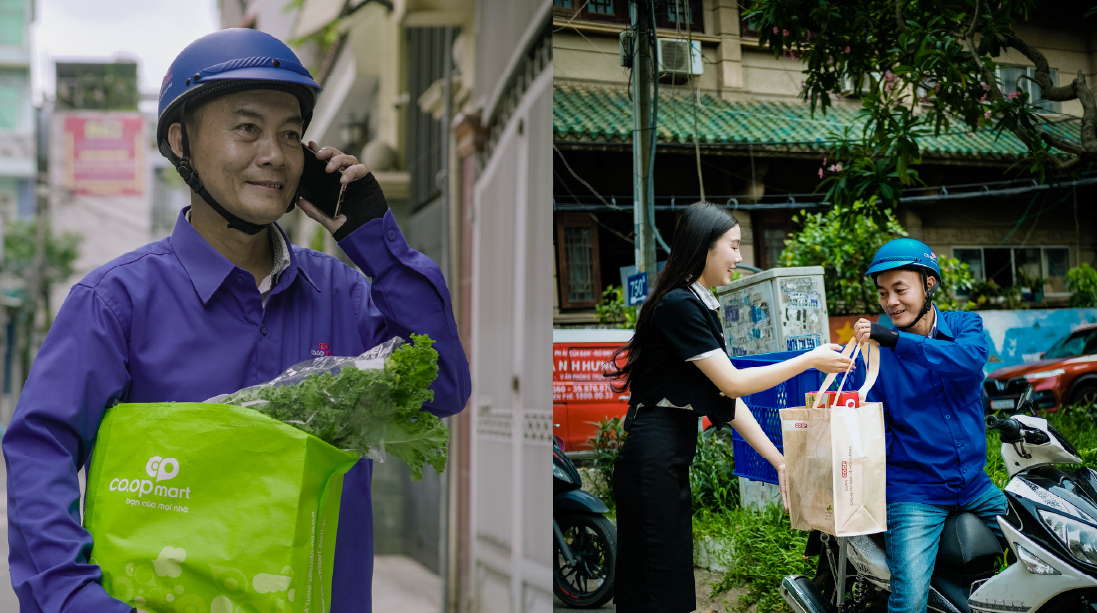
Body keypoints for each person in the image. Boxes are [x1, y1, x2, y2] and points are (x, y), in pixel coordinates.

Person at [2, 29, 470, 613]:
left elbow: (444, 388)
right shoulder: (115, 301)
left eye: (291, 135)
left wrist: (376, 243)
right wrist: (74, 599)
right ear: (181, 142)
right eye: (247, 128)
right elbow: (38, 451)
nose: (274, 154)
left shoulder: (345, 294)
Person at [607, 202, 853, 613]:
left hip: (666, 458)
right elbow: (734, 382)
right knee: (656, 589)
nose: (739, 259)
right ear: (706, 246)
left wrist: (778, 461)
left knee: (666, 585)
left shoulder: (696, 302)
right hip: (653, 458)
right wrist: (809, 358)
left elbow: (728, 400)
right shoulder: (679, 305)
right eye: (734, 247)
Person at [851, 237, 1005, 613]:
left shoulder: (965, 324)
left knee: (1041, 547)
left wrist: (897, 340)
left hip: (975, 484)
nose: (891, 302)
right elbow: (869, 426)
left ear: (929, 284)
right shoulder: (873, 355)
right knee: (909, 600)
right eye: (883, 292)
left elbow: (969, 361)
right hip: (915, 492)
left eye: (900, 289)